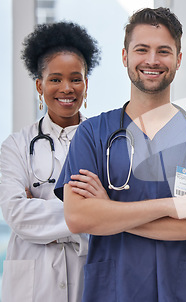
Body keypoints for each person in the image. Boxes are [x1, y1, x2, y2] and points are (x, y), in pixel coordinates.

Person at [55, 7, 186, 302]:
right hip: (113, 290)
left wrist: (109, 212)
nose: (152, 60)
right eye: (142, 49)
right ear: (125, 56)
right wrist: (173, 206)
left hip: (182, 290)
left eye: (163, 51)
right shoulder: (92, 134)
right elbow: (78, 217)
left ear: (178, 60)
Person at [0, 22, 100, 302]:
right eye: (55, 79)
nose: (66, 88)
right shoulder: (16, 146)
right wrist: (90, 214)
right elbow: (17, 214)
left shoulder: (105, 142)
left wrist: (42, 210)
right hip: (34, 282)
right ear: (39, 85)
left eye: (75, 78)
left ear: (86, 84)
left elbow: (119, 211)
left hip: (87, 275)